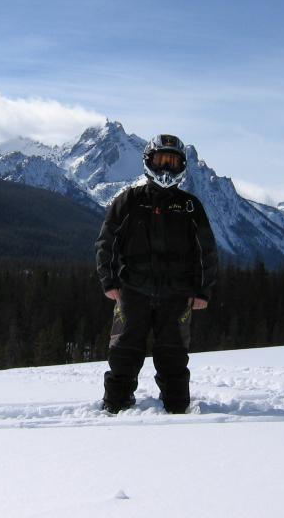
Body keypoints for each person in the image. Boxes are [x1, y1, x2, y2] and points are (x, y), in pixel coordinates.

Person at [94, 134, 219, 414]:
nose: (166, 168)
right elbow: (106, 242)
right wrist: (108, 281)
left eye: (172, 162)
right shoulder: (129, 201)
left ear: (182, 166)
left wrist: (203, 290)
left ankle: (177, 408)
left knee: (173, 354)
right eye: (161, 160)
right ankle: (115, 404)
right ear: (149, 161)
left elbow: (207, 251)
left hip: (177, 294)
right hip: (132, 290)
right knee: (124, 351)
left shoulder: (189, 206)